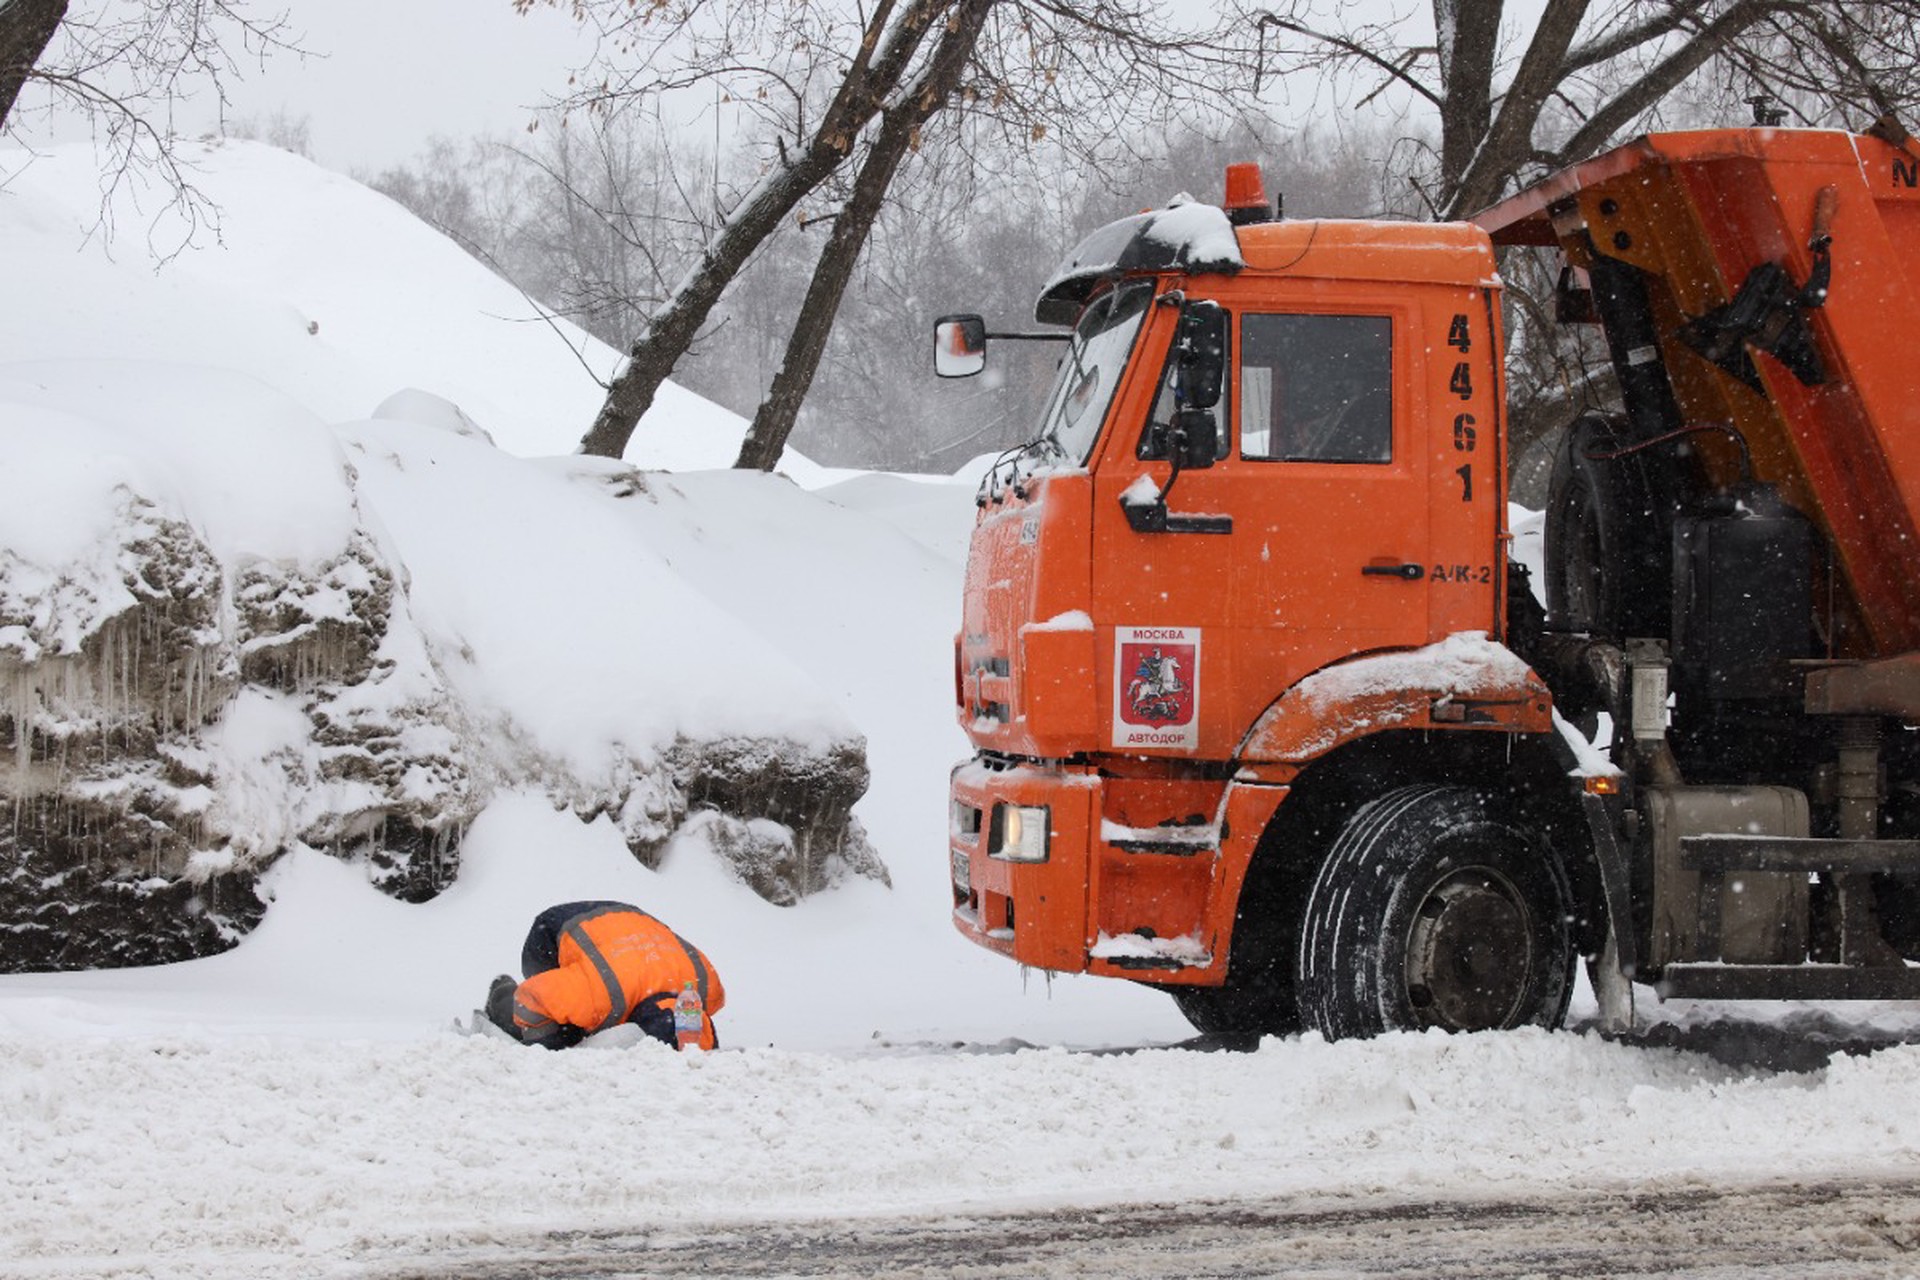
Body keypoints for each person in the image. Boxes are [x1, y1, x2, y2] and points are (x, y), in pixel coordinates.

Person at [484, 900, 725, 1050]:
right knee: (559, 1027)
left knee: (585, 1015)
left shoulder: (707, 988)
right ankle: (501, 992)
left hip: (631, 918)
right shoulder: (603, 994)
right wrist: (543, 1046)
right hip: (553, 928)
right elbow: (530, 998)